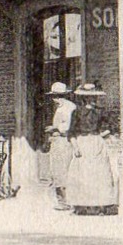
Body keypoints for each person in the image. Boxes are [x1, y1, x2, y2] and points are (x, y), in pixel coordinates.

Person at [66, 83, 117, 215]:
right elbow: (71, 131)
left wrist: (103, 135)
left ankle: (101, 205)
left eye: (93, 97)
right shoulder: (77, 112)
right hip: (82, 142)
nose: (92, 99)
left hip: (96, 142)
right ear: (84, 98)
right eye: (88, 97)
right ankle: (82, 205)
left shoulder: (100, 111)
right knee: (82, 174)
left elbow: (111, 126)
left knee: (100, 174)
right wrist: (75, 147)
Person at [46, 82, 77, 211]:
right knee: (56, 171)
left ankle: (66, 200)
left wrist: (55, 128)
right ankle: (61, 200)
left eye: (55, 96)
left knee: (63, 171)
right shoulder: (60, 107)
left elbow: (68, 126)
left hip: (64, 141)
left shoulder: (69, 108)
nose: (54, 99)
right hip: (57, 141)